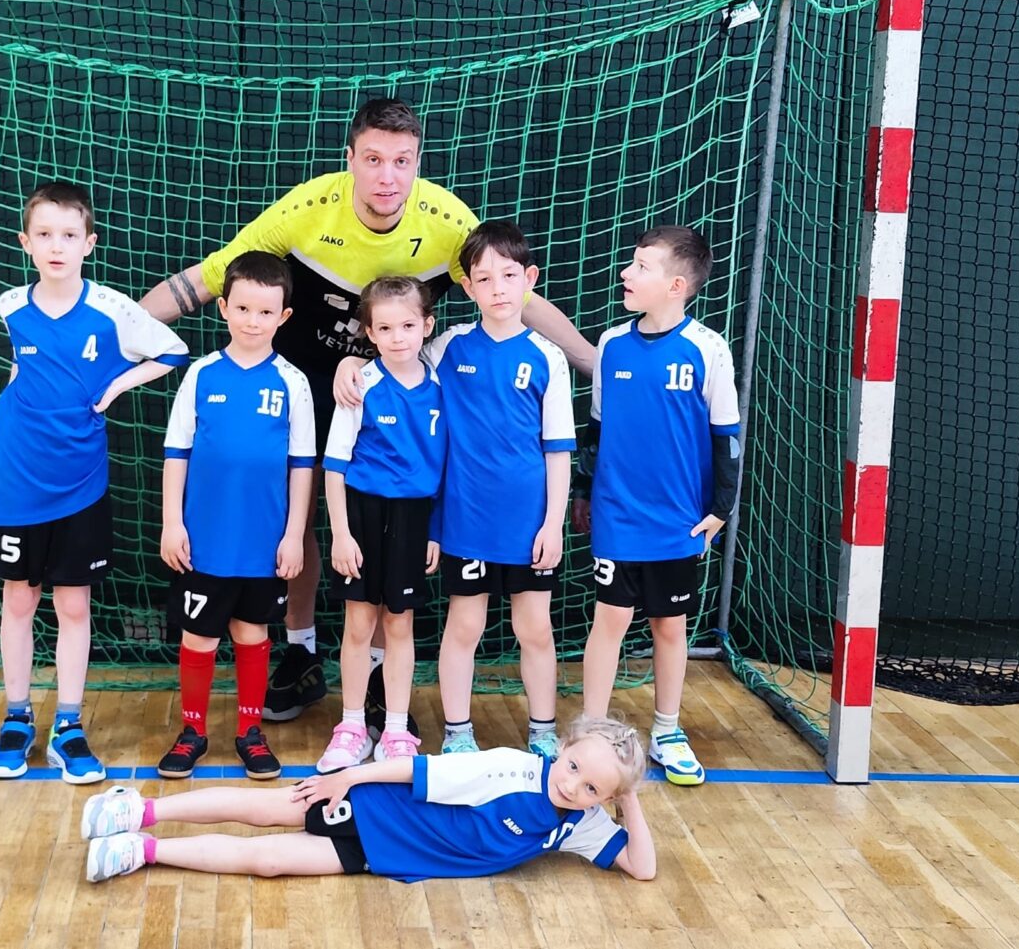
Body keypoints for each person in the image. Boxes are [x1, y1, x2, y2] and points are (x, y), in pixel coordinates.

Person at [137, 98, 596, 724]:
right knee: (296, 522)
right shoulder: (305, 209)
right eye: (374, 160)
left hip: (393, 386)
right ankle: (301, 653)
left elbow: (515, 297)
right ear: (349, 159)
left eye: (402, 161)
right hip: (306, 382)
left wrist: (592, 364)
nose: (387, 176)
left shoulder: (447, 222)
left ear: (418, 164)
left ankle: (380, 675)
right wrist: (116, 341)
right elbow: (208, 280)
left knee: (385, 525)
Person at [0, 182, 188, 783]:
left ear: (89, 244)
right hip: (17, 474)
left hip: (80, 479)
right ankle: (17, 718)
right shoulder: (9, 305)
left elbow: (172, 350)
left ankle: (68, 726)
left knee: (73, 603)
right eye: (44, 235)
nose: (56, 246)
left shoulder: (112, 309)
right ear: (25, 243)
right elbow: (23, 365)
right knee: (19, 598)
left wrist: (116, 385)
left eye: (69, 235)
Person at [77, 715, 657, 884]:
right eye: (574, 766)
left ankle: (143, 850)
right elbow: (417, 769)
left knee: (268, 861)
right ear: (563, 748)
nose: (572, 786)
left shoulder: (580, 823)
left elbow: (642, 867)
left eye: (592, 788)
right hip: (375, 804)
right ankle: (141, 809)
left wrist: (628, 798)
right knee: (264, 809)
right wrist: (348, 778)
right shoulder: (511, 768)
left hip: (382, 855)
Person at [573, 227, 742, 787]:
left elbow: (726, 437)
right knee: (610, 620)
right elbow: (596, 430)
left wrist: (721, 507)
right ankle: (593, 731)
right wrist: (582, 492)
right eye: (631, 263)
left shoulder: (708, 348)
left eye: (641, 266)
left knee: (670, 626)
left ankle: (667, 731)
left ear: (676, 285)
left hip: (677, 520)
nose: (626, 273)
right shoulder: (611, 343)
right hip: (617, 515)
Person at [155, 253, 315, 780]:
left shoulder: (292, 382)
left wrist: (293, 535)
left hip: (264, 543)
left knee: (251, 633)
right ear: (223, 307)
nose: (252, 320)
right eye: (243, 308)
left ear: (283, 317)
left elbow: (301, 466)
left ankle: (250, 731)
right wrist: (172, 523)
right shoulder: (201, 374)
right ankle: (192, 732)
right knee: (198, 637)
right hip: (203, 541)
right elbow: (176, 454)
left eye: (265, 312)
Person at [428, 222, 576, 757]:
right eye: (484, 279)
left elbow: (557, 450)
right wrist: (354, 363)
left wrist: (553, 525)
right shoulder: (446, 348)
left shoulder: (547, 356)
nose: (497, 288)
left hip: (528, 524)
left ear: (529, 279)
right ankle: (457, 733)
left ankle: (542, 731)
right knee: (464, 626)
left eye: (509, 276)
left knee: (534, 628)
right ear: (468, 287)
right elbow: (395, 362)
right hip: (465, 520)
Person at [315, 277, 446, 772]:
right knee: (359, 623)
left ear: (426, 326)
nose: (397, 337)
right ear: (369, 332)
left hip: (414, 517)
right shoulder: (361, 385)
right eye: (385, 328)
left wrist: (435, 531)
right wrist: (341, 534)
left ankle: (394, 730)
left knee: (399, 624)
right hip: (362, 514)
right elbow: (334, 466)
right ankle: (350, 727)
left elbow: (447, 469)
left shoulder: (441, 385)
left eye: (407, 326)